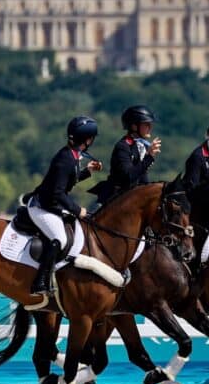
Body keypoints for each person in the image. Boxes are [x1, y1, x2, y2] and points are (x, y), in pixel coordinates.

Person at [25, 116, 103, 306]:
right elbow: (58, 192)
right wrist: (78, 210)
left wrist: (87, 172)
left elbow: (68, 180)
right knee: (59, 238)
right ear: (88, 139)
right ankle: (40, 282)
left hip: (53, 206)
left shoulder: (72, 155)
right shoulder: (66, 158)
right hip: (42, 207)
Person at [90, 105, 161, 204]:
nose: (150, 127)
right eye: (146, 124)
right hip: (114, 199)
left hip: (131, 199)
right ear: (134, 126)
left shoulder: (142, 146)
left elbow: (143, 178)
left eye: (150, 124)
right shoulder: (123, 147)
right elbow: (129, 176)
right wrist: (149, 157)